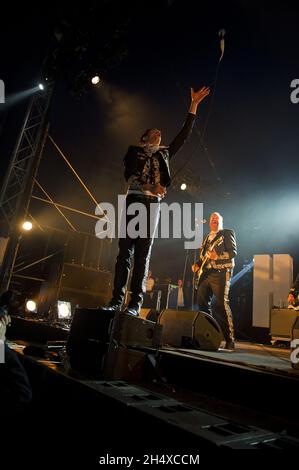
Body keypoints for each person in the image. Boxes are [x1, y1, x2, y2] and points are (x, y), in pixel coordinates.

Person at [106, 85, 210, 316]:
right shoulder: (134, 150)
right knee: (125, 252)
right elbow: (131, 174)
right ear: (144, 137)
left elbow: (184, 134)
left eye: (160, 133)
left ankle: (134, 305)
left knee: (143, 254)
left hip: (152, 205)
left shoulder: (164, 153)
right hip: (134, 200)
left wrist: (193, 105)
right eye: (154, 132)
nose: (158, 134)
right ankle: (116, 300)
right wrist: (152, 185)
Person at [192, 212, 237, 349]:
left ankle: (230, 339)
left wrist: (217, 256)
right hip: (206, 273)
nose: (214, 220)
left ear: (221, 222)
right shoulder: (206, 237)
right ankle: (210, 333)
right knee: (201, 303)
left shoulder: (227, 233)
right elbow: (204, 256)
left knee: (221, 304)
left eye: (217, 219)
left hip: (221, 272)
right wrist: (198, 265)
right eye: (212, 219)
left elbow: (233, 252)